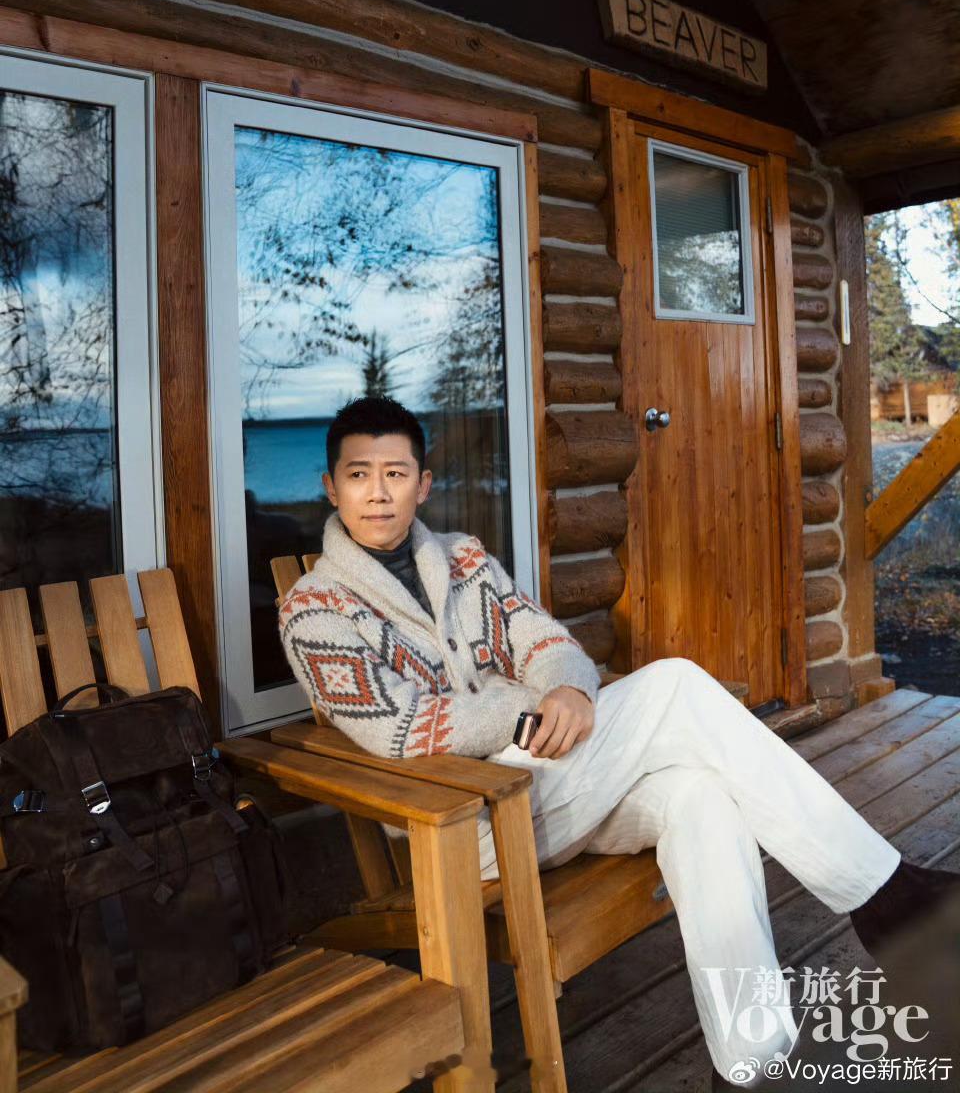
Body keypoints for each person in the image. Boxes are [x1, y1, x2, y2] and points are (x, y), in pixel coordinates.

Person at [279, 396, 960, 1090]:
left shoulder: (465, 561)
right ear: (332, 487)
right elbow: (398, 727)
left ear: (422, 485)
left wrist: (571, 689)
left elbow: (544, 643)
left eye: (395, 473)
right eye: (359, 474)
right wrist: (520, 709)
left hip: (546, 787)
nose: (378, 492)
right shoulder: (313, 608)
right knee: (676, 686)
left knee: (701, 796)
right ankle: (888, 896)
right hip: (460, 826)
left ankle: (749, 1064)